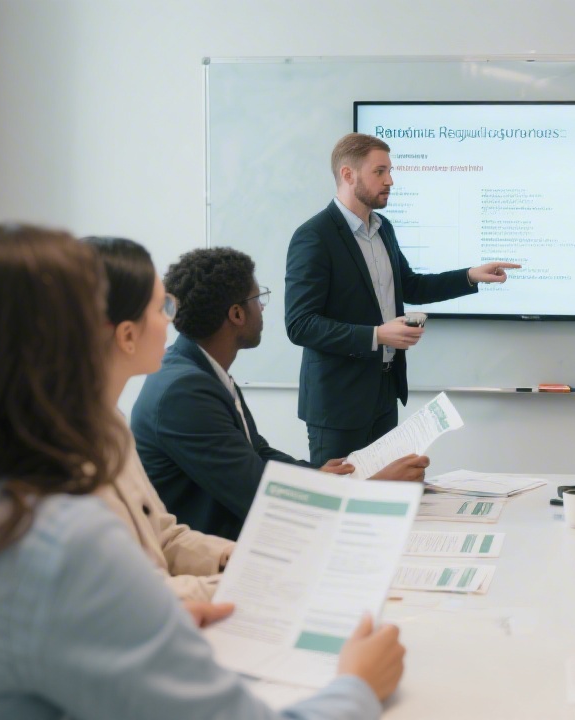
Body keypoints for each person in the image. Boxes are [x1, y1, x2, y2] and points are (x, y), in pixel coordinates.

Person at [0, 223, 405, 719]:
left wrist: (163, 605)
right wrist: (357, 684)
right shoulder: (52, 539)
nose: (168, 317)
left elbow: (157, 541)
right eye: (156, 306)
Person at [133, 246, 427, 541]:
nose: (262, 308)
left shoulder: (202, 370)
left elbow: (257, 451)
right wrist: (370, 489)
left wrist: (318, 475)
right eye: (257, 298)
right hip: (212, 559)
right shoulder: (183, 393)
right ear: (236, 314)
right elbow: (260, 496)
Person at [284, 132, 521, 465]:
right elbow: (300, 325)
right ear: (348, 175)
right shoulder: (314, 236)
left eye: (390, 171)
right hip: (337, 404)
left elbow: (411, 286)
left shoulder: (383, 228)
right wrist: (377, 335)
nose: (390, 180)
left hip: (384, 391)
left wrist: (469, 276)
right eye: (379, 171)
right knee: (342, 505)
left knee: (382, 500)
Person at [84, 236, 240, 601]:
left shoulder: (111, 421)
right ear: (126, 335)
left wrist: (237, 558)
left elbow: (163, 535)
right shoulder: (68, 449)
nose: (172, 320)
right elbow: (133, 597)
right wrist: (249, 584)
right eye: (162, 308)